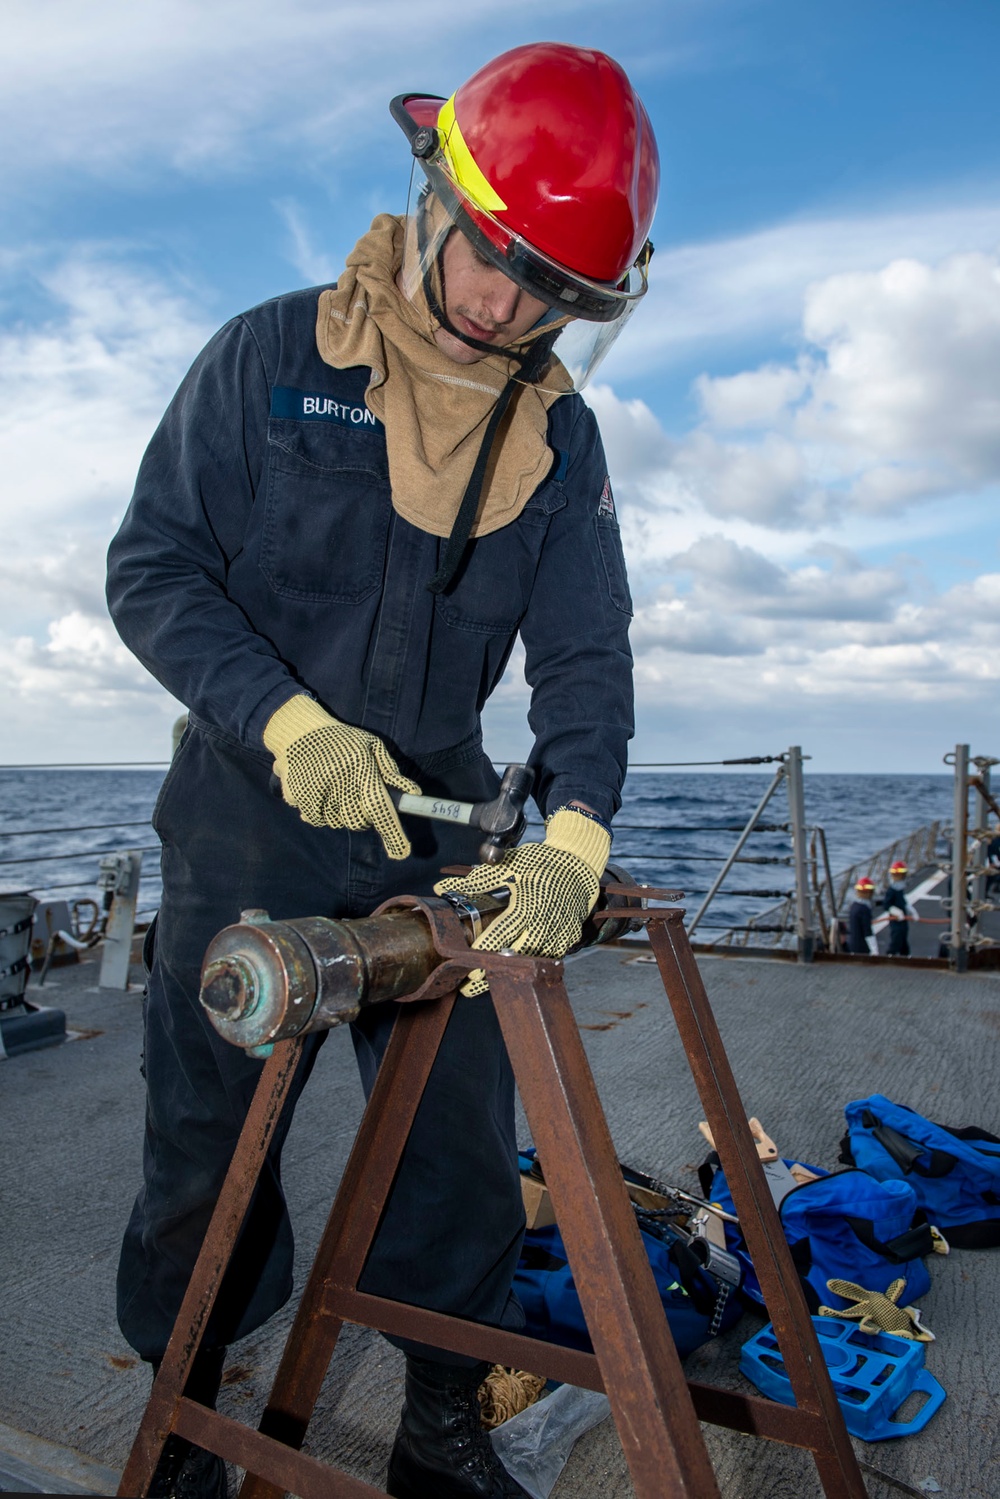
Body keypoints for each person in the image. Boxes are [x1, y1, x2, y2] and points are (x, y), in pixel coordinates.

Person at [106, 42, 658, 1499]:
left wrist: (578, 831)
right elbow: (153, 570)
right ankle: (179, 1429)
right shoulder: (272, 358)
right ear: (436, 201)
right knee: (208, 1145)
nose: (508, 306)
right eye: (494, 259)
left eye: (551, 289)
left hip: (438, 820)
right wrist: (287, 722)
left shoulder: (560, 437)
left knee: (461, 1143)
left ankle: (440, 1418)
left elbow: (587, 655)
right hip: (249, 803)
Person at [882, 860, 918, 957]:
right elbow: (886, 905)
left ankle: (905, 955)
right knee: (896, 938)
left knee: (903, 938)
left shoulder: (900, 889)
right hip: (896, 920)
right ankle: (889, 956)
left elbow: (903, 902)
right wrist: (897, 912)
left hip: (903, 920)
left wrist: (912, 912)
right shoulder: (891, 890)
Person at [846, 876, 879, 955]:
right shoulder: (864, 909)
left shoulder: (854, 906)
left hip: (852, 944)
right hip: (862, 948)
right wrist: (874, 950)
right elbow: (867, 931)